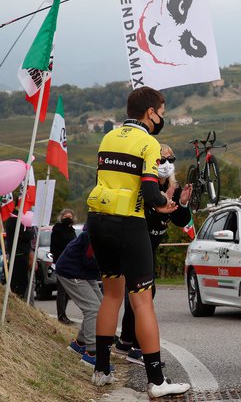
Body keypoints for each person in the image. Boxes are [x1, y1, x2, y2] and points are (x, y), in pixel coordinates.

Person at [86, 86, 190, 397]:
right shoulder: (148, 142)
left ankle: (101, 370)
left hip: (97, 219)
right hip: (128, 223)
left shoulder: (109, 137)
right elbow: (148, 190)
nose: (163, 117)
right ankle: (157, 381)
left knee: (111, 295)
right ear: (150, 113)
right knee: (142, 299)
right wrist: (163, 204)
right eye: (163, 111)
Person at [114, 144, 192, 365]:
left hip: (151, 247)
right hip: (135, 245)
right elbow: (139, 215)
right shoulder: (144, 187)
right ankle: (137, 347)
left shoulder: (172, 188)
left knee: (139, 294)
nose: (166, 165)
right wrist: (158, 206)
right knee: (145, 292)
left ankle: (126, 342)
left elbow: (181, 220)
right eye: (161, 160)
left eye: (170, 159)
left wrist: (182, 202)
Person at [56, 229, 104, 367]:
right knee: (93, 309)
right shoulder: (95, 235)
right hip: (70, 271)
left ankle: (79, 344)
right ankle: (92, 353)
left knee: (102, 306)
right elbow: (89, 260)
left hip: (85, 272)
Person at [50, 208, 77, 325]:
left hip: (71, 263)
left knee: (67, 291)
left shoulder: (72, 230)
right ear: (61, 218)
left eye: (70, 217)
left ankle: (64, 314)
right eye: (65, 216)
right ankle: (61, 316)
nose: (68, 219)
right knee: (61, 290)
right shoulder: (57, 229)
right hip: (61, 262)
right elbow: (54, 247)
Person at [4, 209, 35, 300]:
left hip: (20, 254)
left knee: (23, 282)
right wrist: (30, 230)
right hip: (18, 254)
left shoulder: (17, 218)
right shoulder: (15, 219)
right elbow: (28, 236)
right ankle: (19, 300)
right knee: (20, 283)